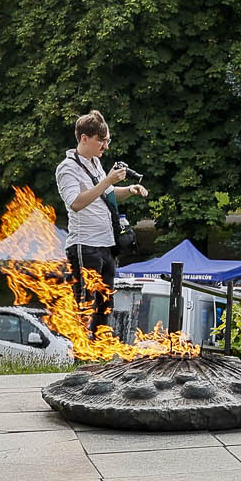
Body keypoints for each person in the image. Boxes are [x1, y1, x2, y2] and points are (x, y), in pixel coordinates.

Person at [55, 111, 150, 337]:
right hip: (84, 245)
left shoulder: (95, 163)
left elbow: (106, 193)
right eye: (102, 140)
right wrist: (107, 180)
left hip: (107, 245)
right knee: (84, 303)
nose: (106, 146)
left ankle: (98, 349)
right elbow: (76, 203)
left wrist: (129, 190)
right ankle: (78, 350)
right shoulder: (67, 168)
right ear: (84, 138)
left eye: (108, 140)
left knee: (105, 305)